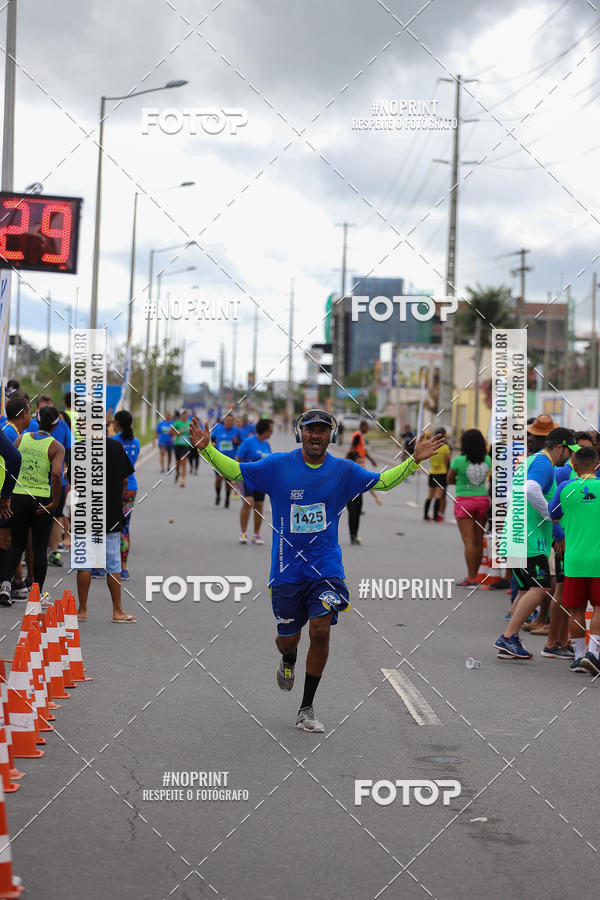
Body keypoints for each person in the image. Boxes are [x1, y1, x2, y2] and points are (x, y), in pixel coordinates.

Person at [190, 409, 444, 733]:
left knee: (321, 629)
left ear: (331, 436)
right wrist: (207, 450)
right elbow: (237, 471)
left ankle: (306, 708)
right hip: (286, 569)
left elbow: (383, 482)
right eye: (310, 429)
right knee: (288, 640)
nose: (316, 435)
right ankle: (288, 657)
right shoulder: (277, 466)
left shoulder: (343, 470)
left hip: (325, 564)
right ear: (301, 433)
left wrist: (413, 461)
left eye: (323, 430)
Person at [494, 427, 578, 660]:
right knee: (541, 587)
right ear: (559, 447)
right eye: (569, 451)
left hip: (517, 535)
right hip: (530, 539)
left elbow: (512, 493)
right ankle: (508, 637)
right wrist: (549, 514)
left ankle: (510, 637)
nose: (570, 457)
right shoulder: (544, 464)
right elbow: (531, 489)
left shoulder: (530, 460)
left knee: (525, 589)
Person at [0, 406, 64, 604]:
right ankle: (37, 595)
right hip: (41, 499)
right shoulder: (56, 447)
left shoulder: (21, 439)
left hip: (19, 496)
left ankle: (5, 586)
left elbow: (11, 462)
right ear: (56, 424)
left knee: (17, 543)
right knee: (39, 547)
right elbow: (56, 473)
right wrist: (55, 500)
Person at [74, 422, 136, 623]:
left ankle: (82, 610)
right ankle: (117, 611)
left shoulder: (79, 448)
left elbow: (73, 482)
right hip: (110, 511)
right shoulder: (116, 447)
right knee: (113, 563)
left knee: (84, 563)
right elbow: (126, 480)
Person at [549, 446, 600, 673]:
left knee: (576, 609)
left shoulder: (565, 488)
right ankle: (594, 654)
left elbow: (553, 516)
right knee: (599, 607)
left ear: (575, 467)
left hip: (574, 559)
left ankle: (579, 657)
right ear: (597, 466)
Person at [447, 429, 491, 587]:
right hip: (483, 500)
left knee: (469, 542)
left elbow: (449, 479)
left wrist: (460, 482)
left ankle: (470, 578)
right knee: (478, 541)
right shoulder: (487, 460)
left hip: (464, 501)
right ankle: (476, 577)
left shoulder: (459, 461)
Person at [111, 410, 140, 579]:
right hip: (131, 487)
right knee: (125, 527)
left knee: (110, 527)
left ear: (117, 423)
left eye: (113, 422)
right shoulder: (135, 442)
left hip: (115, 487)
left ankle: (108, 564)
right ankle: (124, 567)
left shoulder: (113, 441)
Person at [236, 418, 273, 544]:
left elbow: (269, 463)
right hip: (246, 479)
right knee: (248, 502)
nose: (272, 432)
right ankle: (243, 532)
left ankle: (256, 534)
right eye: (270, 430)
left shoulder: (266, 444)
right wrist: (234, 478)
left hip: (260, 481)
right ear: (264, 430)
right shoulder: (248, 442)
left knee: (259, 505)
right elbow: (237, 459)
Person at [211, 412, 242, 508]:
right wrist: (214, 445)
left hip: (231, 460)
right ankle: (218, 495)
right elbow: (212, 439)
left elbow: (243, 443)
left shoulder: (237, 431)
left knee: (228, 481)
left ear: (233, 422)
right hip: (218, 459)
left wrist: (237, 442)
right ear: (224, 421)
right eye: (227, 420)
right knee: (218, 478)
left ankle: (227, 498)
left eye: (230, 421)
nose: (228, 422)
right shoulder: (218, 429)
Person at [424, 427, 450, 522]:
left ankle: (426, 515)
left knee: (430, 496)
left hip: (432, 472)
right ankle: (435, 516)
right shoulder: (446, 448)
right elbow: (447, 462)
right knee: (438, 497)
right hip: (442, 473)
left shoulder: (432, 447)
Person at [171, 410, 191, 487]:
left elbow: (193, 433)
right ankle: (177, 473)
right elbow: (170, 432)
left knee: (184, 461)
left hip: (186, 445)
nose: (184, 416)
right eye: (183, 414)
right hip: (177, 445)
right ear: (181, 415)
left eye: (186, 414)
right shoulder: (177, 423)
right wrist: (177, 432)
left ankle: (183, 480)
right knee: (178, 462)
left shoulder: (189, 423)